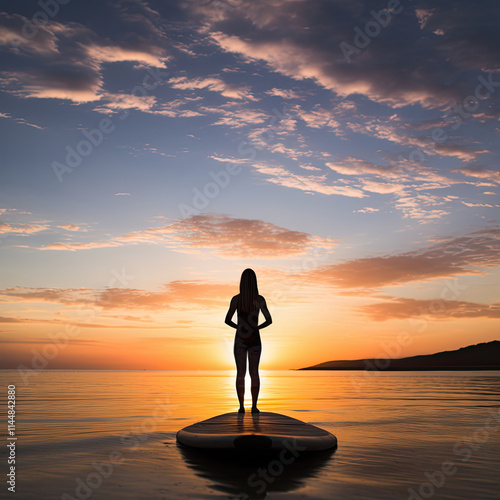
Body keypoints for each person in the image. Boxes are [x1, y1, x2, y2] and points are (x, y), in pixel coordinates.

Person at [225, 268, 272, 414]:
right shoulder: (259, 300)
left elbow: (227, 320)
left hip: (240, 339)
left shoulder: (236, 299)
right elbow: (269, 320)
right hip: (255, 339)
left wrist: (238, 328)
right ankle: (254, 407)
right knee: (254, 373)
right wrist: (257, 327)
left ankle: (241, 407)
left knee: (240, 373)